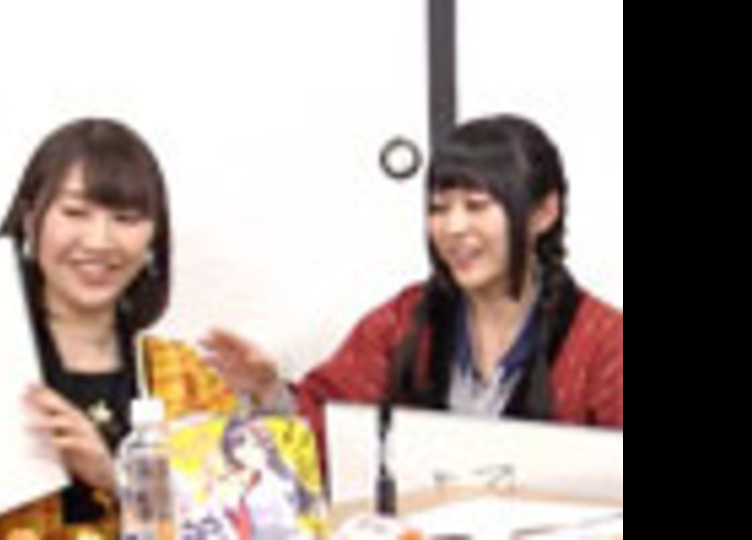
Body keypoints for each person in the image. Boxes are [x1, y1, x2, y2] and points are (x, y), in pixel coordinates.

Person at [202, 114, 624, 473]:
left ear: (544, 213)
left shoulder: (606, 341)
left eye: (476, 206)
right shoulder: (403, 320)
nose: (453, 227)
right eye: (439, 208)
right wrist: (268, 391)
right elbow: (331, 438)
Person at [0, 117, 171, 539]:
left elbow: (226, 520)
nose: (99, 241)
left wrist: (115, 477)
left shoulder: (184, 376)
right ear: (31, 218)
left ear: (153, 237)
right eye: (75, 213)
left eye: (126, 218)